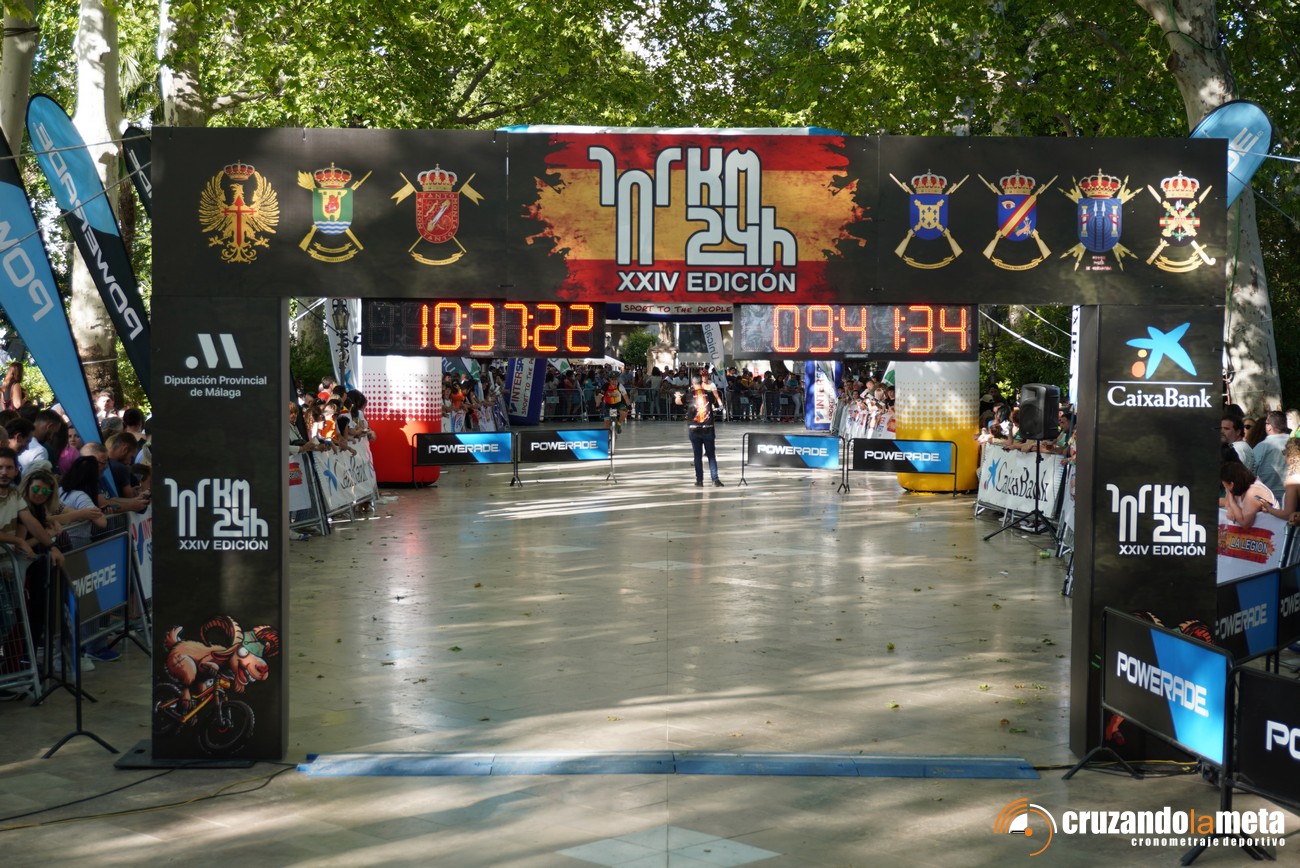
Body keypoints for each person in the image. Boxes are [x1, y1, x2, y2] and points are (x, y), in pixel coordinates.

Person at [675, 371, 723, 487]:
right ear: (701, 382)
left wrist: (677, 396)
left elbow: (678, 402)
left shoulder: (689, 395)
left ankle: (699, 480)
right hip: (708, 428)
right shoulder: (709, 394)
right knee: (711, 455)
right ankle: (715, 480)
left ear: (692, 383)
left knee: (697, 456)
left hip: (694, 429)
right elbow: (714, 400)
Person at [1220, 460, 1277, 529]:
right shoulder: (1241, 487)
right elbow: (1226, 502)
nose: (1225, 488)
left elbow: (1245, 523)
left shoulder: (1253, 492)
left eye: (1225, 485)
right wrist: (1230, 508)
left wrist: (1232, 502)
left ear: (1231, 484)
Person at [1251, 410, 1290, 502]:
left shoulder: (1262, 446)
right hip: (1294, 498)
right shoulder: (1296, 443)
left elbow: (1250, 471)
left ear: (1269, 426)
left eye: (1266, 423)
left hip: (1268, 499)